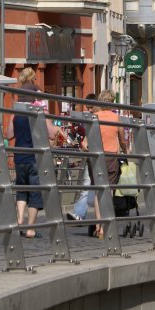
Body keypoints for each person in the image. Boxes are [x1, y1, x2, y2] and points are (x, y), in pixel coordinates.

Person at [6, 84, 59, 238]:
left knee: (21, 188)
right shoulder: (38, 111)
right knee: (36, 192)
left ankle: (19, 220)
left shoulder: (16, 112)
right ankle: (30, 229)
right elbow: (51, 134)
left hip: (19, 156)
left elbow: (9, 135)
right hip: (35, 157)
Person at [84, 89, 128, 238]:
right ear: (112, 103)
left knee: (98, 191)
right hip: (110, 157)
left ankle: (98, 226)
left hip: (95, 157)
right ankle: (106, 225)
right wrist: (126, 152)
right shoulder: (116, 118)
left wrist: (89, 150)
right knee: (108, 191)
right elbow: (122, 140)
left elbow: (84, 143)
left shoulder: (93, 117)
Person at [67, 94, 96, 223]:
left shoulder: (98, 117)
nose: (89, 110)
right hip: (91, 156)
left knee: (94, 186)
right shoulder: (86, 118)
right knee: (87, 183)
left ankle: (102, 217)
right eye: (88, 107)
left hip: (101, 156)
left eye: (91, 107)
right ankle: (79, 213)